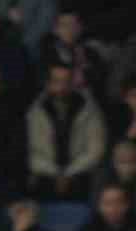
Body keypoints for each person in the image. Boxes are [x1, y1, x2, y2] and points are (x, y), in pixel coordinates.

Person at [26, 62, 106, 203]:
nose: (62, 87)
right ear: (48, 83)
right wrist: (56, 174)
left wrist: (68, 174)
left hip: (81, 175)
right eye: (56, 81)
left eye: (67, 81)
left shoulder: (89, 109)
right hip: (45, 176)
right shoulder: (35, 112)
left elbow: (96, 149)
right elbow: (29, 151)